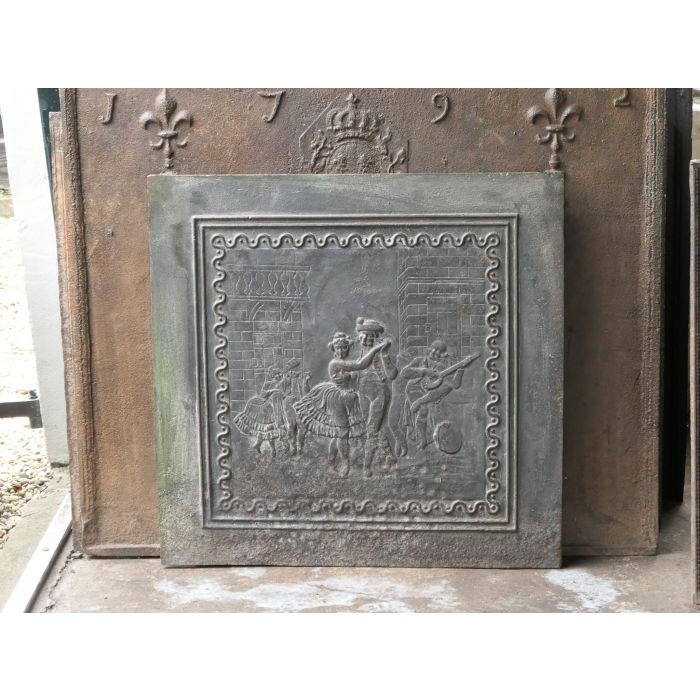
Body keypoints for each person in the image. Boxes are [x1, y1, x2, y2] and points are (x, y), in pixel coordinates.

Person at [293, 331, 388, 476]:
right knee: (343, 433)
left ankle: (333, 459)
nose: (341, 351)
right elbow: (361, 364)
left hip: (352, 399)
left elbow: (360, 371)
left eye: (344, 347)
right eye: (338, 348)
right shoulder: (335, 364)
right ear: (334, 349)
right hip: (337, 399)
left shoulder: (349, 361)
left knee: (347, 432)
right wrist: (376, 348)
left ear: (348, 348)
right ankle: (345, 464)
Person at [354, 317, 398, 475]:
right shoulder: (360, 353)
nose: (365, 340)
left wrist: (384, 354)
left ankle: (366, 466)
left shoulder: (380, 353)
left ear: (374, 338)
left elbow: (392, 375)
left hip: (379, 392)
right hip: (363, 391)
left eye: (369, 336)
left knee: (371, 429)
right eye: (363, 336)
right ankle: (390, 458)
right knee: (374, 427)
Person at [232, 366, 287, 456]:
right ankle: (272, 449)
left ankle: (257, 444)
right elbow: (262, 394)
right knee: (268, 429)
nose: (279, 376)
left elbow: (284, 395)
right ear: (273, 375)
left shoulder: (282, 383)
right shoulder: (268, 383)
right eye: (277, 374)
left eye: (280, 374)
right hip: (265, 408)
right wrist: (273, 390)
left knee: (264, 430)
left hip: (276, 407)